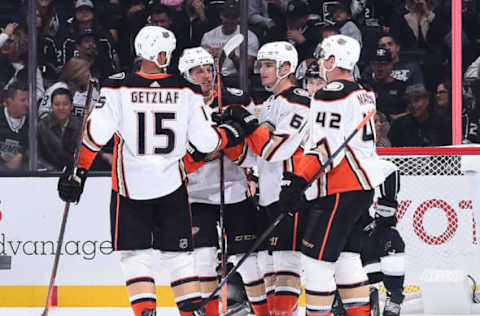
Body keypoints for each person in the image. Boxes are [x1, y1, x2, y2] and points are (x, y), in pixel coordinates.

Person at [57, 25, 246, 316]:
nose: (167, 56)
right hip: (173, 187)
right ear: (156, 52)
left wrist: (78, 171)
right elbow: (207, 142)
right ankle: (191, 311)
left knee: (135, 255)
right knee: (179, 258)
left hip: (130, 188)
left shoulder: (118, 85)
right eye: (165, 51)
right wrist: (230, 133)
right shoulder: (186, 90)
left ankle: (146, 311)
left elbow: (95, 135)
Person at [276, 34, 385, 316]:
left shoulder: (331, 93)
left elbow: (324, 146)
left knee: (315, 264)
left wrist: (297, 181)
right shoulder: (363, 92)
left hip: (340, 188)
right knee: (347, 259)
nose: (321, 62)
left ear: (335, 60)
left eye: (324, 57)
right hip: (362, 188)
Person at [223, 41, 311, 315]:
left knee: (286, 266)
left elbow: (275, 149)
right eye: (261, 64)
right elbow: (254, 156)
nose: (261, 70)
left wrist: (248, 122)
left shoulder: (299, 101)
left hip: (291, 195)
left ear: (287, 68)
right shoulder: (271, 103)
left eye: (269, 65)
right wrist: (231, 135)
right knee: (269, 269)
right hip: (269, 196)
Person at [178, 47, 267, 316]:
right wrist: (222, 140)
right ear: (186, 75)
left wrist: (232, 137)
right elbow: (190, 153)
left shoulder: (235, 99)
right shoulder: (177, 106)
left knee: (248, 261)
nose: (205, 75)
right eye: (197, 71)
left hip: (235, 191)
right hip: (196, 194)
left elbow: (253, 150)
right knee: (203, 261)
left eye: (208, 69)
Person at [201, 0, 259, 80]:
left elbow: (248, 70)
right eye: (227, 16)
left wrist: (234, 58)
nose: (230, 20)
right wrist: (209, 58)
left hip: (236, 78)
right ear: (221, 16)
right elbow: (201, 65)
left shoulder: (250, 37)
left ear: (239, 17)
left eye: (234, 17)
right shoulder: (208, 36)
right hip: (213, 77)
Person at [38, 88, 81, 171]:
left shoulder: (81, 126)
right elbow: (37, 155)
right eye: (57, 104)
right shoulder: (42, 126)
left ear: (72, 106)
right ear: (51, 106)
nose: (61, 108)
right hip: (48, 173)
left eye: (65, 104)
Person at [368, 48, 408, 120]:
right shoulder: (367, 87)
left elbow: (410, 111)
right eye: (376, 64)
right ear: (371, 66)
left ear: (391, 65)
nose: (379, 68)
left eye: (384, 64)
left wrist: (393, 118)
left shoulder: (401, 87)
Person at [0, 81, 28, 171]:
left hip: (23, 175)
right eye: (23, 100)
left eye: (29, 100)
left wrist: (21, 155)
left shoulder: (33, 123)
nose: (27, 104)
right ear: (9, 101)